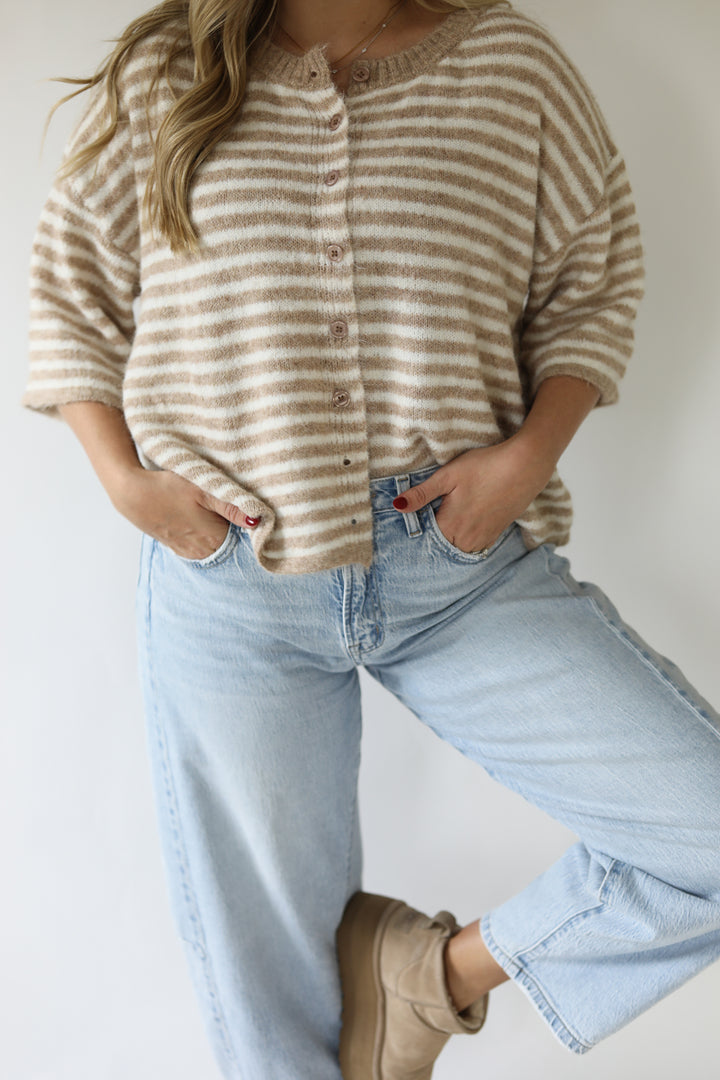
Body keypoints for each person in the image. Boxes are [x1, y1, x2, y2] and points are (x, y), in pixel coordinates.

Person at [22, 1, 720, 1078]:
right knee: (272, 1003)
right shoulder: (171, 71)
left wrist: (529, 456)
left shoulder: (509, 64)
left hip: (460, 566)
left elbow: (594, 277)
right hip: (231, 579)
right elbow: (70, 299)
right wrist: (129, 487)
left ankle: (428, 978)